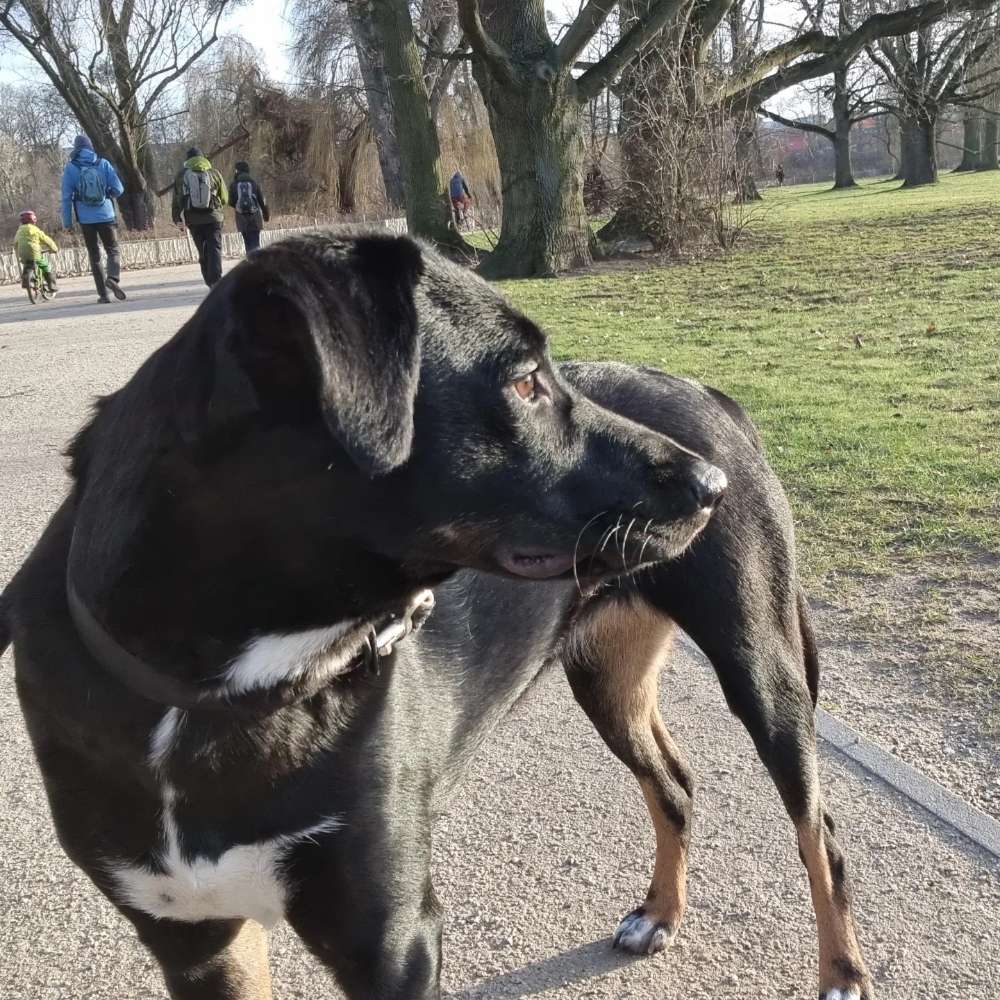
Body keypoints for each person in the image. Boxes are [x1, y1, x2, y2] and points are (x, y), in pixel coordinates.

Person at [61, 135, 127, 304]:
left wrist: (67, 223)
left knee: (94, 255)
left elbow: (66, 198)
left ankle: (104, 295)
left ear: (76, 149)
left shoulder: (71, 168)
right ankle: (113, 277)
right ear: (91, 147)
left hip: (85, 219)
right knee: (112, 249)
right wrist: (107, 194)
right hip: (106, 215)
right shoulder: (103, 163)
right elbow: (119, 189)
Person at [172, 146, 228, 287]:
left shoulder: (181, 175)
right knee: (215, 248)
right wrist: (217, 208)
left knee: (202, 251)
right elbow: (224, 198)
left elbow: (177, 200)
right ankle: (216, 280)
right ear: (203, 158)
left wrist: (177, 219)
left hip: (193, 220)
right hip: (214, 218)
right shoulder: (214, 173)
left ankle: (209, 281)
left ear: (187, 160)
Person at [228, 161, 269, 255]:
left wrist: (239, 206)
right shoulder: (254, 183)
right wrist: (266, 215)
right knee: (255, 243)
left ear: (237, 171)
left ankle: (250, 260)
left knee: (247, 243)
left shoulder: (233, 185)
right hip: (255, 218)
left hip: (241, 219)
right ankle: (256, 261)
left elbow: (230, 202)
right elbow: (262, 202)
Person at [14, 210, 58, 294]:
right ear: (33, 220)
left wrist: (17, 250)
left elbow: (15, 242)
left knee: (27, 265)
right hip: (34, 252)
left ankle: (26, 281)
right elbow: (46, 240)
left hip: (22, 253)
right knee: (45, 266)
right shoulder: (35, 230)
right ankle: (52, 286)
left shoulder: (19, 231)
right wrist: (54, 249)